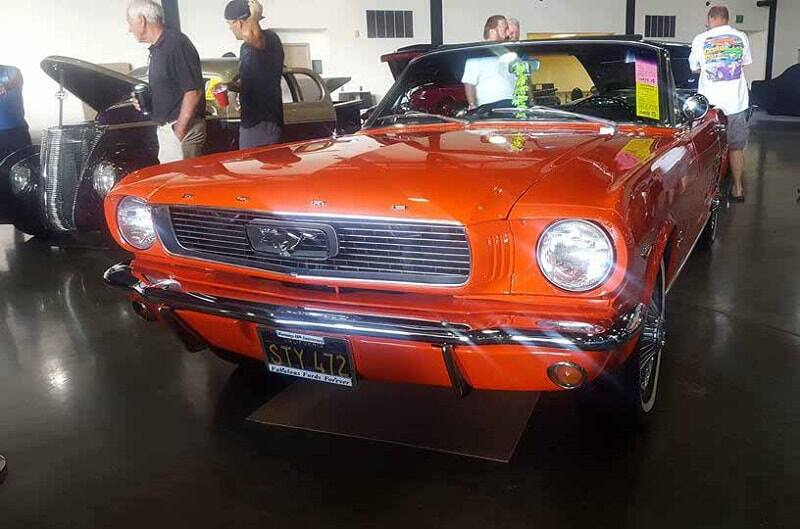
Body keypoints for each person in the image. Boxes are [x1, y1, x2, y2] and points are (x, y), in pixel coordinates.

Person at [126, 0, 207, 163]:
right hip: (171, 128)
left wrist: (179, 130)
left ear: (142, 20)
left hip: (180, 129)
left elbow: (193, 91)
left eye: (130, 23)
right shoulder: (158, 48)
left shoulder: (175, 43)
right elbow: (170, 87)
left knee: (182, 186)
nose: (129, 29)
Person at [689, 5, 752, 201]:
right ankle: (738, 189)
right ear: (727, 18)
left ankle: (703, 191)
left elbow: (693, 68)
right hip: (735, 102)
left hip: (709, 105)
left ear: (710, 19)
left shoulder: (701, 39)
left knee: (704, 146)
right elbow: (744, 63)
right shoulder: (741, 37)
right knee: (736, 146)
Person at [222, 0, 285, 148]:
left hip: (263, 120)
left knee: (259, 168)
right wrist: (231, 86)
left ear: (239, 22)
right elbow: (255, 82)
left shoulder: (268, 39)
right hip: (252, 120)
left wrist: (255, 16)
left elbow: (250, 35)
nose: (230, 29)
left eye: (230, 24)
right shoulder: (247, 47)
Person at [462, 15, 514, 110]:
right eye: (504, 29)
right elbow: (469, 83)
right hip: (489, 111)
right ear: (492, 31)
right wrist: (473, 106)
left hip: (514, 108)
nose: (508, 34)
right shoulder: (476, 54)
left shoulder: (510, 54)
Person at [0, 64, 32, 162]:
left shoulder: (12, 71)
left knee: (24, 163)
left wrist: (5, 86)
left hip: (17, 130)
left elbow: (15, 81)